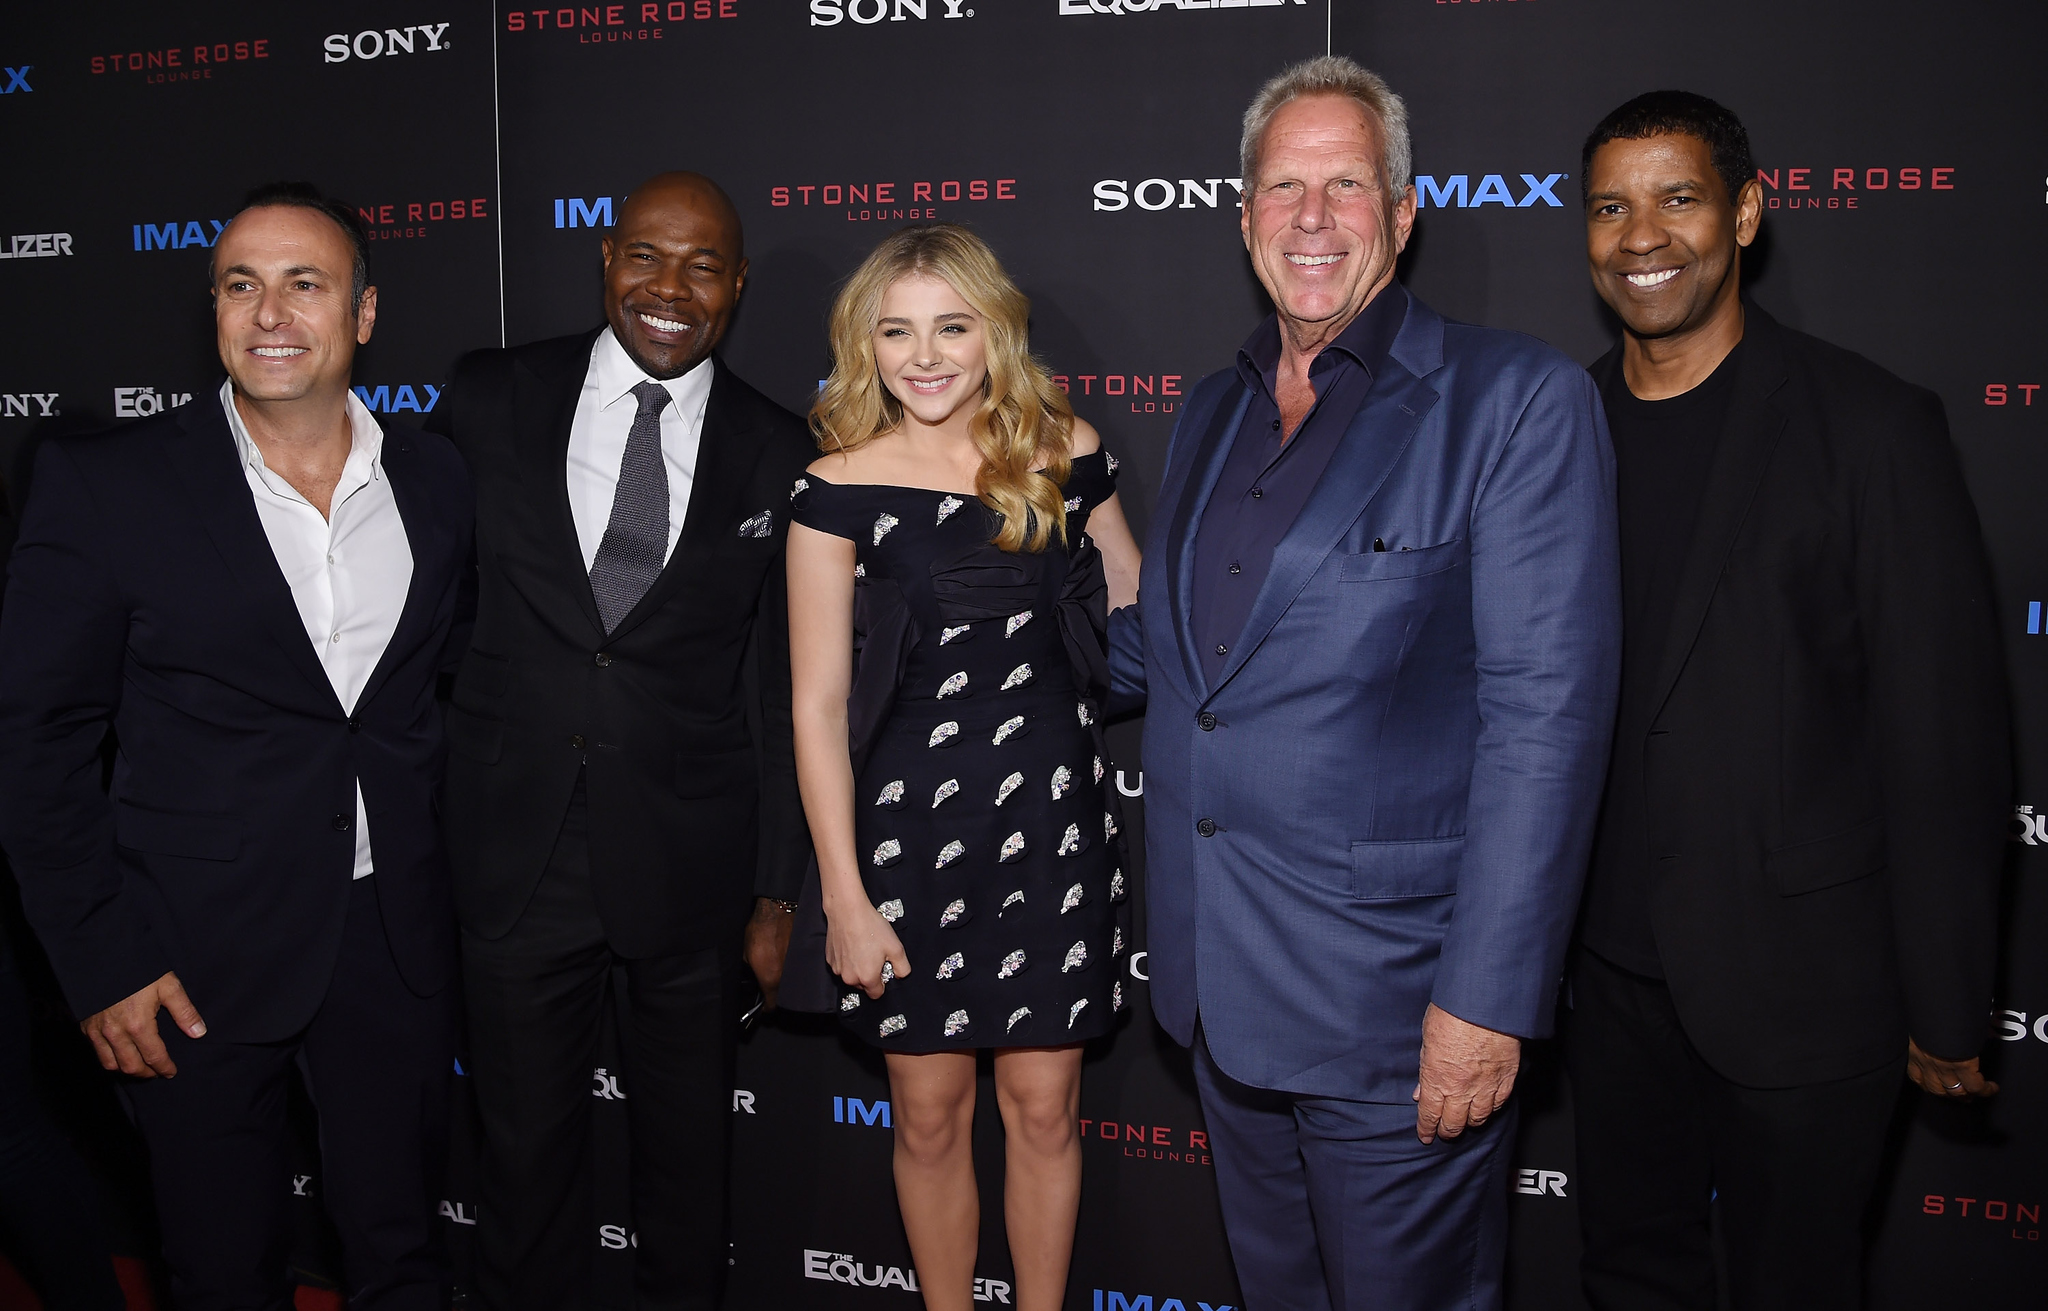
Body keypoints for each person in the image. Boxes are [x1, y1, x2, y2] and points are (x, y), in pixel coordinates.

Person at [1107, 56, 1622, 1309]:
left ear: (1402, 213)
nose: (1311, 217)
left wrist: (1483, 1005)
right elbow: (1186, 667)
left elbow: (1542, 722)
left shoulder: (1514, 404)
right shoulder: (1207, 408)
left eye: (1346, 184)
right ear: (1241, 220)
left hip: (1396, 1016)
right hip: (1218, 994)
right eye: (1282, 186)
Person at [1568, 91, 2009, 1311]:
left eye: (1676, 198)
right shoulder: (1555, 428)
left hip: (1806, 988)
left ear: (1745, 215)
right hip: (1600, 980)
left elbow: (1940, 734)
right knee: (1624, 1279)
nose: (1639, 235)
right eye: (1608, 207)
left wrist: (1945, 994)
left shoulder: (1868, 427)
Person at [0, 182, 472, 1309]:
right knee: (220, 1270)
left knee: (400, 1253)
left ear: (361, 315)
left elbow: (429, 698)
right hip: (187, 954)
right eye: (240, 285)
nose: (270, 312)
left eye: (304, 284)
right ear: (212, 308)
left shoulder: (438, 480)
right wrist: (102, 961)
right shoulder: (108, 484)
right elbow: (37, 744)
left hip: (390, 938)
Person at [426, 171, 812, 1311]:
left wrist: (776, 892)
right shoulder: (491, 396)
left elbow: (781, 682)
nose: (669, 288)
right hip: (514, 851)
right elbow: (423, 609)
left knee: (689, 1169)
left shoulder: (779, 448)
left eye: (702, 266)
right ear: (605, 261)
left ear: (735, 287)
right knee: (520, 1159)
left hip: (691, 868)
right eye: (647, 255)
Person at [781, 223, 1142, 1311]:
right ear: (864, 345)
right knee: (928, 1118)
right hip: (908, 842)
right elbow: (815, 703)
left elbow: (1137, 610)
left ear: (995, 331)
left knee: (1044, 1110)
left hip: (1051, 829)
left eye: (951, 325)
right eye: (895, 331)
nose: (924, 355)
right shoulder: (834, 483)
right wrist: (843, 895)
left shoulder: (1064, 448)